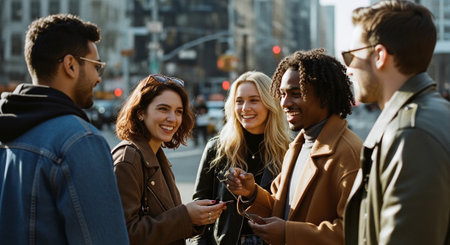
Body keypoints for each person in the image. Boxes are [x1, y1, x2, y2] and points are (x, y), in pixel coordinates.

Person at [0, 14, 129, 244]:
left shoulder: (7, 137)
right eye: (96, 66)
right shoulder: (80, 141)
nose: (98, 78)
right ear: (70, 65)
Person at [226, 49, 363, 245]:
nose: (284, 103)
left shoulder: (349, 152)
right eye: (282, 94)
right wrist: (252, 193)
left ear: (324, 96)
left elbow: (355, 232)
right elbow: (283, 207)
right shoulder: (297, 147)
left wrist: (288, 233)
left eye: (296, 94)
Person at [342, 1, 450, 244]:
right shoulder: (432, 114)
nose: (348, 69)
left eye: (351, 55)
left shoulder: (411, 134)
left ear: (379, 56)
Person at [112, 74, 228, 245]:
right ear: (141, 113)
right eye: (163, 109)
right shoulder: (128, 159)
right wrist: (186, 216)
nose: (173, 119)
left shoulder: (157, 156)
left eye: (178, 111)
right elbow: (124, 234)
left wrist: (196, 217)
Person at [192, 71, 291, 244]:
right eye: (239, 101)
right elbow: (199, 213)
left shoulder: (289, 151)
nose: (245, 108)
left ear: (270, 103)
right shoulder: (217, 149)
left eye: (254, 100)